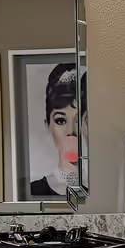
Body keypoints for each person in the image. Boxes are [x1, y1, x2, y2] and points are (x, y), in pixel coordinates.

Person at [27, 62, 82, 198]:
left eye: (78, 120)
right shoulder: (33, 191)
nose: (71, 131)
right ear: (48, 126)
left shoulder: (106, 190)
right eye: (60, 121)